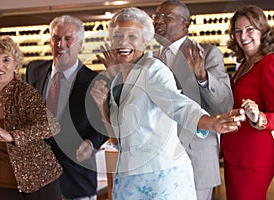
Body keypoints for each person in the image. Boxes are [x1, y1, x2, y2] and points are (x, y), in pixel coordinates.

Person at [91, 7, 245, 200]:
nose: (123, 43)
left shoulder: (153, 70)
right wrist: (102, 103)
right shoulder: (119, 78)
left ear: (145, 39)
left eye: (132, 36)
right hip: (128, 178)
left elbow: (178, 104)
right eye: (117, 37)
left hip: (161, 177)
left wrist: (211, 123)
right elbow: (117, 138)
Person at [152, 1, 234, 199]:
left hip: (193, 158)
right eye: (156, 16)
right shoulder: (152, 58)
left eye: (167, 16)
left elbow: (224, 104)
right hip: (159, 160)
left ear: (185, 25)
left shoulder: (207, 53)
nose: (159, 21)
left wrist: (203, 77)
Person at [26, 15, 108, 200]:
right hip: (38, 183)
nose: (60, 44)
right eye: (56, 38)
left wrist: (91, 143)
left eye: (68, 39)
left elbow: (104, 124)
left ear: (80, 44)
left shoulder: (96, 81)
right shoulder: (33, 71)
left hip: (76, 181)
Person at [0, 35, 63, 200]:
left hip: (39, 183)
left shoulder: (24, 93)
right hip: (3, 186)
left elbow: (51, 126)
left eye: (6, 59)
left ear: (15, 66)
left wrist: (12, 136)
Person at [221, 5, 274, 200]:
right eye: (238, 31)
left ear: (263, 31)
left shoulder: (269, 64)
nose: (243, 36)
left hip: (254, 158)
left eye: (250, 29)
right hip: (235, 153)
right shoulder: (246, 64)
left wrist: (259, 117)